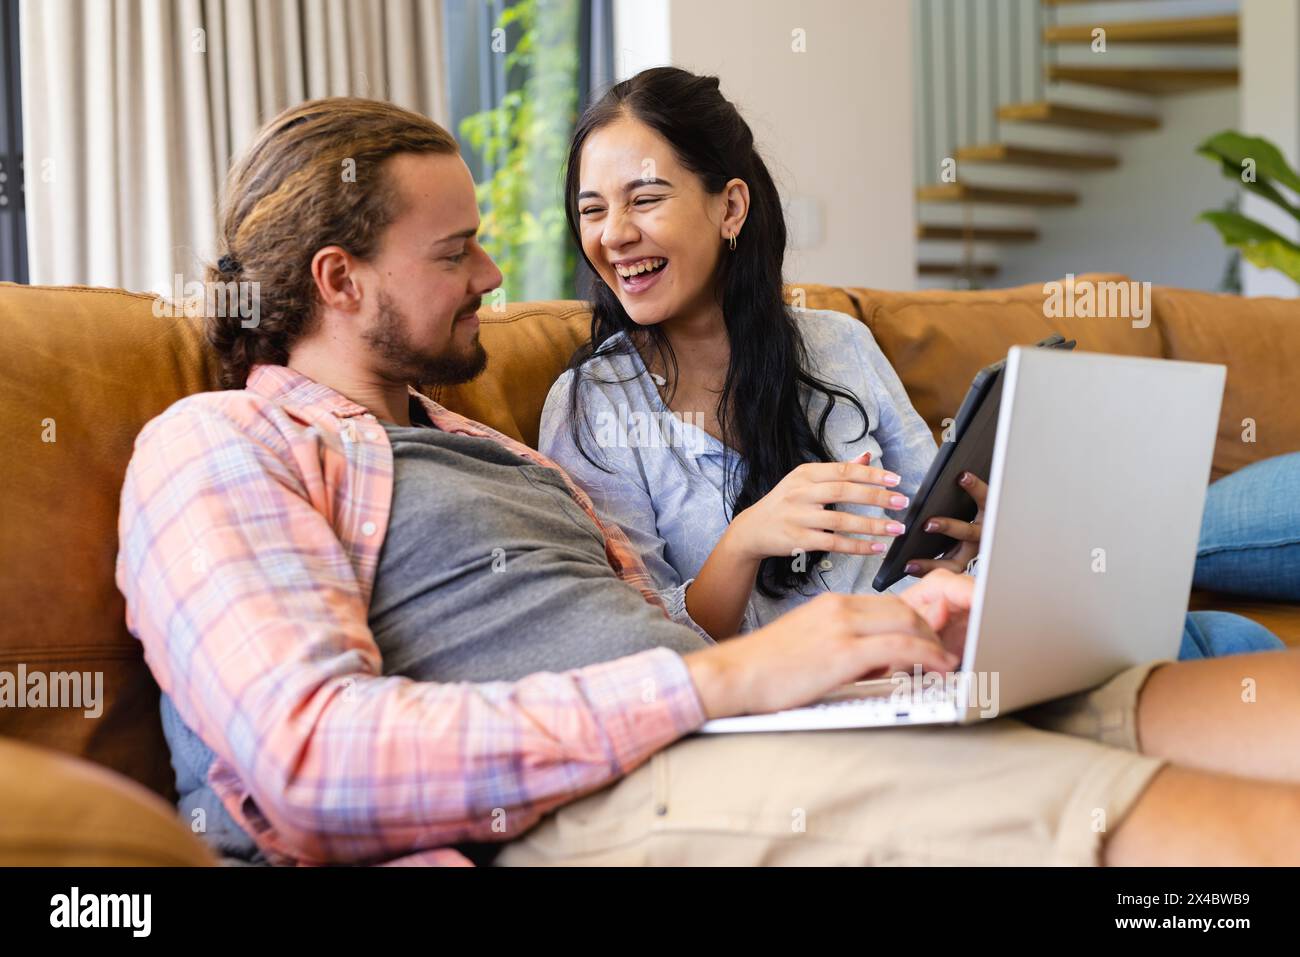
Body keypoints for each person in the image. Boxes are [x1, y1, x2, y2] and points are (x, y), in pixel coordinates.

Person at [116, 96, 1300, 868]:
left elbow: (665, 630)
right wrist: (737, 671)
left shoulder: (497, 448)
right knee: (1190, 831)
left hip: (756, 717)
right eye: (453, 250)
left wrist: (898, 616)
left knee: (1181, 695)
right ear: (339, 279)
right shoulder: (220, 447)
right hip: (609, 796)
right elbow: (310, 758)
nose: (492, 271)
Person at [538, 65, 1286, 664]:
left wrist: (967, 540)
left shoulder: (835, 345)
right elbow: (644, 656)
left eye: (645, 199)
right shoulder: (592, 409)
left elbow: (927, 527)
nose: (614, 235)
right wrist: (746, 538)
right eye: (592, 209)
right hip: (814, 692)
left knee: (1228, 640)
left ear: (730, 208)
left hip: (941, 647)